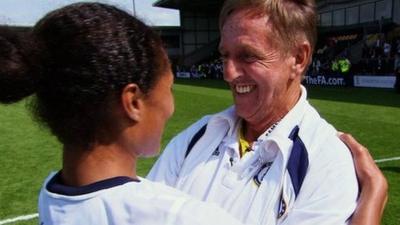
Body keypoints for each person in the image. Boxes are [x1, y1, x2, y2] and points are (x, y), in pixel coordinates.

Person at [0, 3, 252, 225]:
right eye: (169, 88)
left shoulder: (53, 194)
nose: (171, 106)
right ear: (133, 102)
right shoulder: (181, 217)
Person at [148, 0, 386, 224]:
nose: (228, 73)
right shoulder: (198, 135)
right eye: (225, 55)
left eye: (248, 56)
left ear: (298, 58)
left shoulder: (327, 161)